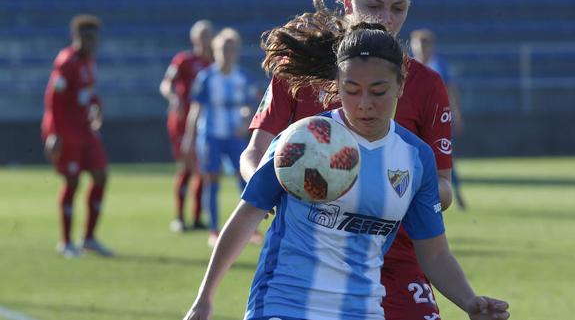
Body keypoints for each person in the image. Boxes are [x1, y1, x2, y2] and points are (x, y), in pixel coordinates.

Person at [183, 22, 509, 320]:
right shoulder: (303, 140)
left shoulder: (415, 158)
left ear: (400, 85)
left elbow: (435, 254)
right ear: (337, 85)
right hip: (284, 304)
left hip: (362, 309)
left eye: (378, 91)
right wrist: (204, 299)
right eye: (352, 89)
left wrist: (471, 302)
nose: (365, 102)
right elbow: (246, 216)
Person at [241, 0, 454, 320]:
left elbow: (443, 186)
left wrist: (394, 186)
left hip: (396, 256)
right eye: (374, 5)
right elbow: (254, 155)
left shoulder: (426, 84)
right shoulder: (296, 72)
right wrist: (286, 184)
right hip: (313, 257)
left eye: (398, 8)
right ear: (346, 1)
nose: (386, 19)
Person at [181, 28, 261, 247]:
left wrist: (245, 123)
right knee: (212, 181)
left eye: (231, 48)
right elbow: (196, 109)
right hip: (211, 136)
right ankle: (214, 230)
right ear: (215, 50)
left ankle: (250, 229)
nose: (227, 53)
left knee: (244, 180)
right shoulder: (207, 76)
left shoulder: (242, 76)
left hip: (234, 136)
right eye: (223, 49)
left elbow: (251, 105)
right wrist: (189, 137)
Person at [41, 14, 113, 258]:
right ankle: (65, 242)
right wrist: (55, 134)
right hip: (66, 130)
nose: (92, 43)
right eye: (87, 37)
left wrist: (97, 104)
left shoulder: (89, 62)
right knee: (72, 182)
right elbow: (54, 100)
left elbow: (88, 91)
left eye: (95, 38)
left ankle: (89, 238)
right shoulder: (66, 61)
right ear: (77, 37)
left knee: (101, 175)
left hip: (85, 129)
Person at [160, 20, 214, 232]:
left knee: (202, 168)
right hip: (182, 120)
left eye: (208, 34)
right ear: (194, 38)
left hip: (206, 121)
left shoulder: (215, 63)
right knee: (187, 165)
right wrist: (173, 97)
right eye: (201, 35)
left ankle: (197, 217)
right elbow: (166, 84)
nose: (205, 39)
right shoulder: (184, 60)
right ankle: (180, 217)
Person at [411, 29, 466, 210]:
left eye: (424, 45)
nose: (421, 50)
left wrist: (455, 114)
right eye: (418, 45)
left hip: (436, 120)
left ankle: (454, 194)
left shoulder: (439, 65)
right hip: (416, 119)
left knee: (444, 158)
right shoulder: (409, 66)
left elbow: (450, 90)